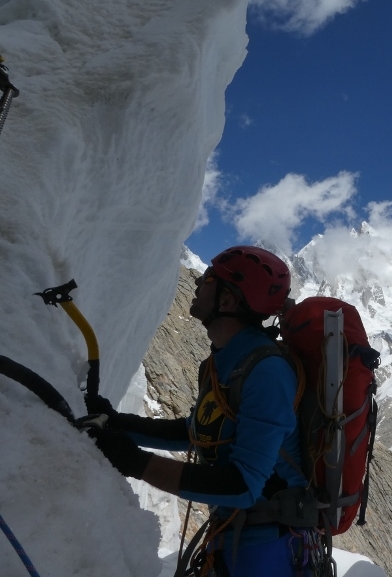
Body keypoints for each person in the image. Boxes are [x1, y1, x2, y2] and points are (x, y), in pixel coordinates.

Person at [88, 246, 309, 577]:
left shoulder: (267, 372)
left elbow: (242, 485)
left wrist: (134, 461)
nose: (196, 283)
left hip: (268, 551)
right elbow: (195, 432)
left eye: (207, 278)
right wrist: (116, 422)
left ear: (228, 300)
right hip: (234, 539)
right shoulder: (221, 362)